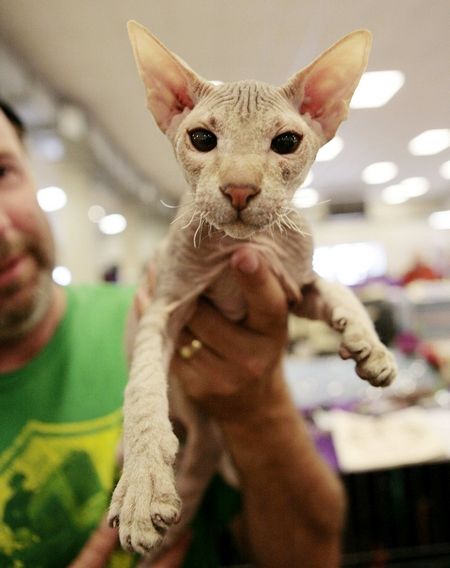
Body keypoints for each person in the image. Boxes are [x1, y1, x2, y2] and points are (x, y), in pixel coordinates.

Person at [0, 99, 346, 568]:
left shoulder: (178, 321)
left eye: (2, 173)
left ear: (32, 169)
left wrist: (256, 405)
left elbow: (313, 554)